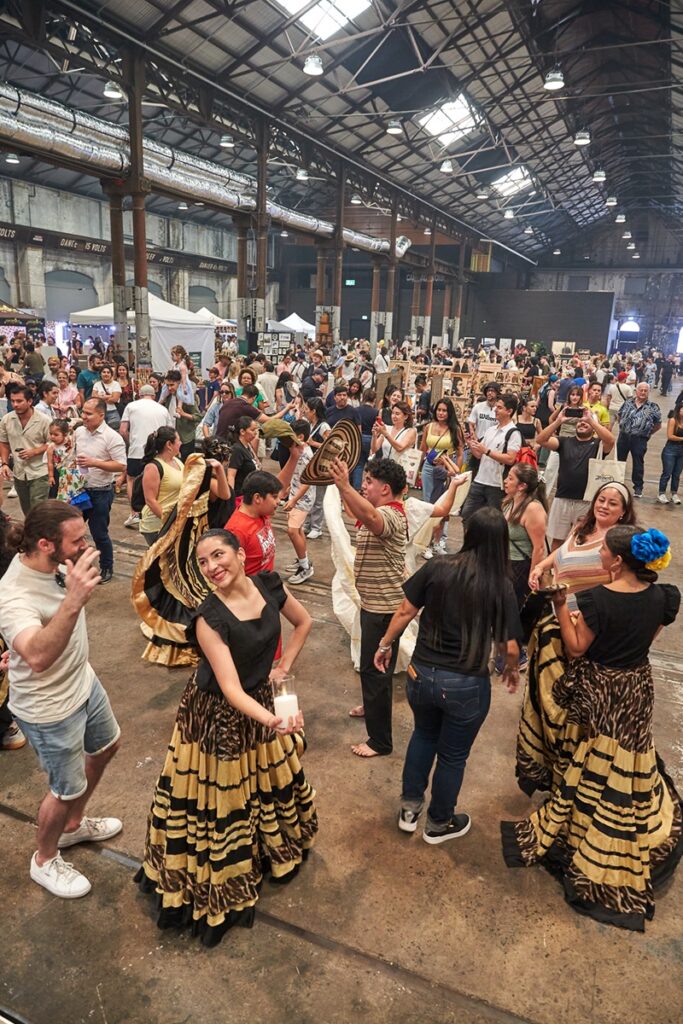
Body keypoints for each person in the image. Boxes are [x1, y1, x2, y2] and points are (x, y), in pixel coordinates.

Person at [135, 528, 317, 946]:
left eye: (218, 555)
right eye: (203, 562)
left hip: (260, 699)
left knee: (264, 781)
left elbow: (304, 622)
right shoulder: (208, 618)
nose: (212, 567)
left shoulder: (269, 585)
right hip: (217, 714)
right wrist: (273, 721)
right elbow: (230, 689)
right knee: (223, 799)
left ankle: (265, 849)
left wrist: (284, 666)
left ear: (238, 553)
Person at [503, 525, 681, 932]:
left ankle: (586, 824)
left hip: (600, 686)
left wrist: (560, 606)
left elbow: (576, 647)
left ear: (616, 561)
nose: (599, 554)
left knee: (592, 752)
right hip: (636, 685)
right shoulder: (664, 597)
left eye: (604, 551)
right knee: (628, 751)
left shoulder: (596, 600)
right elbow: (646, 640)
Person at [374, 508, 520, 841]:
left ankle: (409, 809)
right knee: (453, 756)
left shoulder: (437, 567)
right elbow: (510, 647)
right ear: (501, 541)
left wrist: (384, 645)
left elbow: (405, 610)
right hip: (466, 684)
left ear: (468, 533)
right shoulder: (500, 585)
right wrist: (510, 668)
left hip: (421, 674)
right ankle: (439, 824)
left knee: (423, 735)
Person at [0, 501, 121, 898]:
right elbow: (36, 656)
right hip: (49, 708)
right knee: (64, 789)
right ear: (45, 544)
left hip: (83, 681)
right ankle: (45, 858)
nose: (86, 545)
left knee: (106, 746)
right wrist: (74, 600)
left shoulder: (59, 565)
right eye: (77, 540)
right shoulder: (13, 594)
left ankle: (73, 826)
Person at [516, 481, 637, 796]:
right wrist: (541, 567)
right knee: (546, 697)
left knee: (571, 708)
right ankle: (547, 758)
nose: (604, 506)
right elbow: (562, 552)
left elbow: (623, 589)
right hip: (556, 623)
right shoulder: (582, 527)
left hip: (585, 633)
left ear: (624, 511)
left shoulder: (621, 544)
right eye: (601, 499)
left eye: (612, 503)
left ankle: (568, 770)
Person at [329, 456, 408, 758]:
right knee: (373, 669)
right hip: (375, 605)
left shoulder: (391, 515)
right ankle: (372, 706)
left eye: (369, 481)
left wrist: (345, 486)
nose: (363, 486)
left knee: (375, 671)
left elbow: (372, 519)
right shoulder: (380, 509)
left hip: (383, 609)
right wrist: (343, 490)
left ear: (385, 489)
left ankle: (380, 742)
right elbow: (358, 511)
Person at [132, 446, 232, 667]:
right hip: (191, 542)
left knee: (191, 586)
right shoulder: (204, 478)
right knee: (192, 588)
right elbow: (225, 495)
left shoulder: (189, 472)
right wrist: (218, 470)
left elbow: (225, 496)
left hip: (198, 538)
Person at [536, 406, 615, 548]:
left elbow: (610, 440)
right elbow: (541, 440)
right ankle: (555, 563)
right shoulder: (564, 442)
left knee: (582, 540)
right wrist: (559, 421)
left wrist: (591, 420)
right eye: (580, 421)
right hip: (562, 498)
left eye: (586, 422)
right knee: (557, 540)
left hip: (586, 501)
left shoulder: (598, 445)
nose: (582, 423)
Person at [73, 399, 126, 584]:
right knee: (71, 531)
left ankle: (106, 566)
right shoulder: (79, 432)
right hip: (79, 490)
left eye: (89, 414)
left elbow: (121, 465)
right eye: (83, 412)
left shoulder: (112, 437)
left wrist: (94, 463)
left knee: (99, 533)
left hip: (100, 492)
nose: (84, 416)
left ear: (101, 415)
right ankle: (73, 567)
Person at [501, 464, 548, 669]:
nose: (505, 480)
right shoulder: (509, 501)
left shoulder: (533, 509)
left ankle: (517, 656)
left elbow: (539, 548)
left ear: (522, 486)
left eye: (510, 478)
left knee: (513, 611)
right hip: (505, 563)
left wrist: (533, 576)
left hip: (521, 566)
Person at [461, 393, 521, 521]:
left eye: (499, 407)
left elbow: (510, 459)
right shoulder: (491, 430)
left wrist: (487, 451)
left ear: (509, 411)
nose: (495, 410)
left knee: (494, 520)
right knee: (467, 515)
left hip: (496, 485)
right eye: (496, 407)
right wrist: (470, 444)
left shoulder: (513, 433)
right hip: (479, 480)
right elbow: (479, 455)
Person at [119, 384, 172, 529]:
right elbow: (170, 431)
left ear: (139, 395)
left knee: (132, 479)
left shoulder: (131, 406)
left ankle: (134, 513)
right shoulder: (163, 409)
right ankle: (153, 513)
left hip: (136, 449)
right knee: (156, 482)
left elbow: (123, 430)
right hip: (157, 452)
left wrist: (131, 442)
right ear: (154, 396)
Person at [420, 398, 464, 558]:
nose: (441, 413)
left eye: (444, 410)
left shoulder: (455, 429)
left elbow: (460, 453)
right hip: (428, 468)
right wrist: (416, 468)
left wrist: (455, 472)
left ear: (449, 412)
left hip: (446, 470)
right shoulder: (428, 427)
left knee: (443, 505)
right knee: (428, 503)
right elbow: (422, 449)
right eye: (439, 410)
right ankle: (426, 542)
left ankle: (438, 541)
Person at [0, 386, 51, 514]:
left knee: (38, 510)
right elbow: (4, 442)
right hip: (19, 472)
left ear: (29, 401)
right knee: (27, 510)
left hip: (40, 471)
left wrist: (35, 451)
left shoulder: (44, 420)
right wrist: (5, 463)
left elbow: (52, 443)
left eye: (19, 401)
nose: (15, 405)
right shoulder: (7, 420)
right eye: (12, 401)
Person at [139, 427, 185, 547]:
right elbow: (150, 500)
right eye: (178, 440)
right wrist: (168, 522)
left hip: (175, 522)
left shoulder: (177, 462)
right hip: (157, 525)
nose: (181, 443)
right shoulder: (153, 467)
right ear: (169, 444)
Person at [282, 419, 315, 584]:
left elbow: (308, 481)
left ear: (300, 436)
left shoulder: (306, 455)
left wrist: (294, 499)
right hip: (297, 495)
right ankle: (303, 560)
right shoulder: (300, 450)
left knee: (292, 531)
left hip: (303, 498)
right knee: (298, 530)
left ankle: (305, 567)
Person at [616, 382, 662, 497]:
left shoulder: (653, 407)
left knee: (638, 463)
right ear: (636, 391)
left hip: (639, 439)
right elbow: (619, 415)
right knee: (619, 461)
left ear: (648, 392)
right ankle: (617, 482)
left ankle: (638, 488)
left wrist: (647, 433)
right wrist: (624, 427)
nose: (643, 392)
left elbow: (658, 425)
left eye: (645, 390)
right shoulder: (627, 402)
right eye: (641, 390)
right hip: (623, 437)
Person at [303, 397, 330, 538]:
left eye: (306, 409)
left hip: (320, 467)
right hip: (309, 465)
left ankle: (317, 527)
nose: (304, 411)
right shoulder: (309, 424)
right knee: (309, 496)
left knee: (318, 498)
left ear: (313, 411)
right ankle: (307, 524)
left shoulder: (323, 426)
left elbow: (332, 446)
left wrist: (313, 443)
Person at [160, 370, 202, 461]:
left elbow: (198, 417)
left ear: (179, 383)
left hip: (185, 439)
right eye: (167, 385)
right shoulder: (168, 396)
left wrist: (183, 414)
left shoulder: (187, 398)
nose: (169, 388)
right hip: (171, 438)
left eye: (172, 385)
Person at [226, 415, 261, 513]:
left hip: (248, 494)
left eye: (256, 430)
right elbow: (231, 475)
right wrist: (230, 499)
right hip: (239, 496)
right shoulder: (237, 449)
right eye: (252, 430)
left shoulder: (247, 446)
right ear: (242, 431)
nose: (255, 432)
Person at [658, 394, 683, 504]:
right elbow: (670, 436)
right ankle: (661, 493)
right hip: (671, 449)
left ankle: (674, 493)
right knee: (667, 472)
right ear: (679, 410)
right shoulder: (673, 420)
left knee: (677, 474)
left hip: (682, 451)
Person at [91, 364, 122, 430]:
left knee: (114, 431)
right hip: (99, 412)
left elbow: (114, 399)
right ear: (100, 374)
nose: (106, 374)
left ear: (111, 374)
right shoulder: (97, 384)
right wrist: (110, 396)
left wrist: (100, 397)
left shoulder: (116, 384)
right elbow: (94, 398)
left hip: (113, 412)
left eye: (108, 372)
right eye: (104, 372)